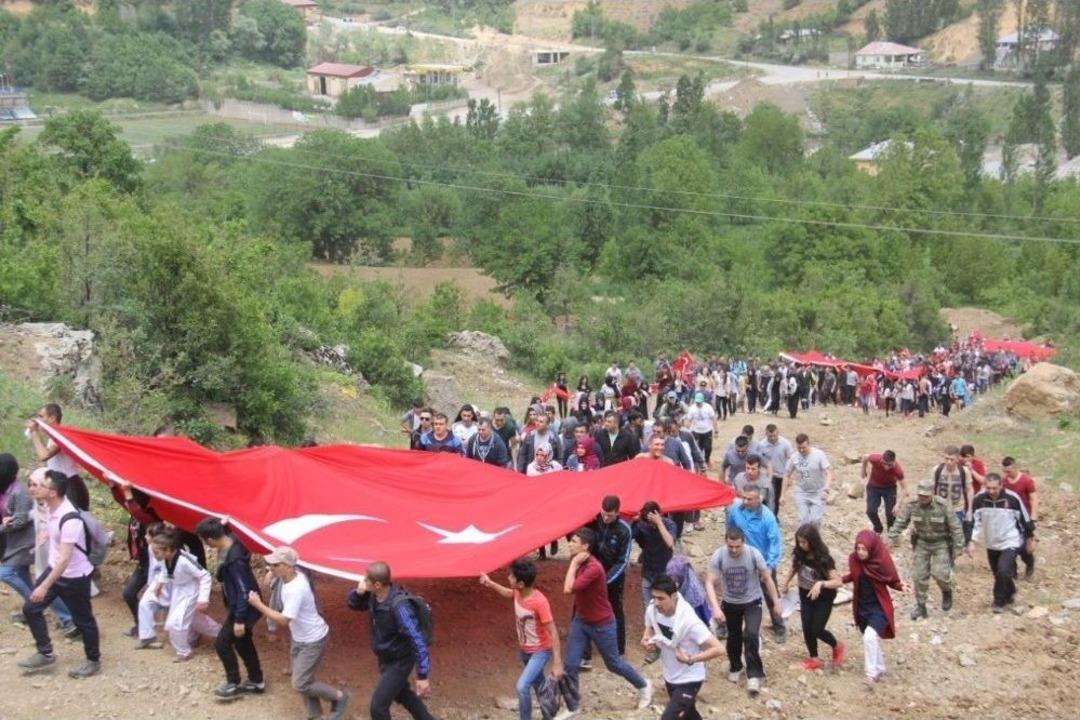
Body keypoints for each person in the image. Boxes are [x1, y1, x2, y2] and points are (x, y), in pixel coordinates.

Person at [248, 547, 351, 720]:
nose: (271, 568)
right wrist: (271, 574)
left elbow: (284, 620)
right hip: (301, 638)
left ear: (288, 567)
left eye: (275, 565)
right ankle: (315, 715)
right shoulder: (291, 578)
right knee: (304, 679)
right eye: (271, 564)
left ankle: (340, 697)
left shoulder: (296, 588)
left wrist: (258, 605)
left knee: (300, 683)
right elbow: (269, 582)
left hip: (313, 640)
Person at [559, 527, 652, 717]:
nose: (569, 544)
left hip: (601, 623)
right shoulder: (580, 561)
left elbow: (568, 589)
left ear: (585, 547)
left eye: (573, 541)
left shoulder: (593, 568)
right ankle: (573, 705)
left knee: (614, 663)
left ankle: (643, 685)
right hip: (581, 620)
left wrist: (574, 565)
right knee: (570, 663)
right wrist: (575, 563)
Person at [16, 471, 101, 679]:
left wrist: (44, 585)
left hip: (74, 576)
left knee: (84, 620)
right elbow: (56, 537)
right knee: (31, 608)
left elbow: (65, 559)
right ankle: (45, 653)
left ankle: (93, 660)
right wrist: (46, 535)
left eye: (40, 485)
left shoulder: (69, 518)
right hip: (56, 569)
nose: (33, 487)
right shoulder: (51, 508)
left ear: (52, 492)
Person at [347, 561, 435, 720]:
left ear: (378, 584)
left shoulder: (400, 607)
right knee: (402, 694)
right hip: (386, 657)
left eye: (366, 580)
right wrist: (358, 593)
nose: (363, 582)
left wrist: (423, 676)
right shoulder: (375, 595)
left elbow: (417, 640)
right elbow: (354, 605)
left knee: (378, 708)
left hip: (400, 661)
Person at [479, 558, 564, 720]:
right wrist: (489, 583)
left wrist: (557, 663)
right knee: (539, 685)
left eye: (511, 577)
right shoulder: (519, 593)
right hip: (525, 651)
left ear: (521, 584)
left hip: (539, 651)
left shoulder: (539, 602)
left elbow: (553, 632)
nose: (508, 578)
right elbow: (507, 593)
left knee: (522, 687)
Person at [0, 460, 76, 635]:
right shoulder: (11, 490)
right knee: (29, 580)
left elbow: (21, 520)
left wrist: (4, 526)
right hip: (17, 542)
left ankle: (40, 608)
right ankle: (57, 616)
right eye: (30, 484)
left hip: (25, 543)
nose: (31, 488)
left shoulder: (20, 493)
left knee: (7, 573)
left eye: (35, 484)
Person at [705, 526, 782, 697]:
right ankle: (736, 665)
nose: (733, 550)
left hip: (752, 601)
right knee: (734, 636)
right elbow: (710, 582)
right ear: (726, 543)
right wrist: (715, 607)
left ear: (743, 543)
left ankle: (754, 673)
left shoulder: (753, 554)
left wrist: (776, 602)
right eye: (730, 546)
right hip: (730, 603)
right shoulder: (719, 555)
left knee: (751, 634)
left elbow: (767, 579)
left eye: (737, 546)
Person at [195, 517, 264, 699]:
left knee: (222, 643)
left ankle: (233, 683)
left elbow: (243, 591)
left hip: (244, 607)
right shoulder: (233, 541)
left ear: (210, 540)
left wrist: (240, 619)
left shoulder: (235, 561)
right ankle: (257, 681)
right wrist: (227, 522)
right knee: (242, 641)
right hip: (245, 605)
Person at [641, 575, 725, 720]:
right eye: (654, 597)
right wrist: (646, 639)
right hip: (670, 676)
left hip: (690, 678)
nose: (656, 603)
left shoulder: (689, 622)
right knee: (688, 715)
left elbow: (719, 648)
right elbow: (649, 627)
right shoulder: (652, 611)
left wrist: (691, 659)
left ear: (673, 596)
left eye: (661, 598)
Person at [886, 479, 965, 620]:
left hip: (941, 542)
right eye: (921, 495)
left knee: (940, 573)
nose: (923, 498)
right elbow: (900, 522)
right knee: (918, 576)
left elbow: (955, 527)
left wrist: (959, 547)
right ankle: (921, 606)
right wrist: (890, 538)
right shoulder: (912, 505)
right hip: (922, 542)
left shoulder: (943, 506)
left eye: (926, 496)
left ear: (932, 494)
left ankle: (947, 591)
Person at [145, 528, 221, 662]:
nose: (155, 555)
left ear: (167, 550)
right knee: (195, 620)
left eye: (156, 552)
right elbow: (165, 572)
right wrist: (159, 585)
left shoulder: (184, 560)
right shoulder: (165, 558)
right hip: (178, 591)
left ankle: (183, 652)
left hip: (190, 591)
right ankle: (222, 634)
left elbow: (204, 576)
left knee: (176, 623)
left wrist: (203, 599)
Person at [841, 531, 907, 684]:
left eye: (864, 549)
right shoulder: (854, 560)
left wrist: (900, 586)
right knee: (870, 638)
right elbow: (854, 575)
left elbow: (891, 579)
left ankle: (871, 674)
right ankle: (879, 666)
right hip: (862, 608)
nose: (861, 552)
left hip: (879, 608)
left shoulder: (880, 561)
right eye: (858, 548)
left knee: (869, 636)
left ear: (871, 549)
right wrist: (840, 580)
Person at [726, 484, 785, 644]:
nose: (745, 501)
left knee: (770, 593)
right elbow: (730, 529)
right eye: (744, 497)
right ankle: (729, 624)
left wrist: (769, 565)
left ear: (759, 499)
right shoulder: (736, 510)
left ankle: (779, 625)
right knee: (735, 590)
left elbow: (775, 543)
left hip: (763, 562)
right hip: (741, 559)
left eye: (750, 499)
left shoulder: (767, 517)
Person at [968, 473, 1035, 613]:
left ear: (1001, 486)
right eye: (988, 488)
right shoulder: (979, 500)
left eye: (994, 488)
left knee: (1004, 570)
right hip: (992, 543)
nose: (991, 491)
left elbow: (1025, 519)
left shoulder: (1012, 498)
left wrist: (1029, 539)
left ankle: (998, 602)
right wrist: (971, 541)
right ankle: (1010, 592)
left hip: (1010, 540)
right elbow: (974, 522)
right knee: (998, 574)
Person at [780, 524, 843, 671]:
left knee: (817, 628)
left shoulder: (823, 559)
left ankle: (837, 645)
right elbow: (794, 567)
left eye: (804, 542)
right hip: (805, 594)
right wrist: (787, 582)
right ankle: (814, 658)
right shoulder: (799, 553)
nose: (801, 545)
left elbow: (837, 581)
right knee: (806, 627)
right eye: (799, 542)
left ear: (812, 541)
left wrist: (821, 583)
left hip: (823, 598)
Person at [587, 496, 633, 657]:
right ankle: (584, 653)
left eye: (610, 515)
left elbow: (623, 561)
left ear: (617, 513)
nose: (606, 518)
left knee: (615, 611)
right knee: (582, 609)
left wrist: (605, 581)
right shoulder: (593, 520)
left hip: (612, 580)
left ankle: (619, 649)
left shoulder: (624, 530)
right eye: (604, 514)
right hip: (591, 575)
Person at [25, 404, 90, 511]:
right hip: (62, 485)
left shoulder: (61, 436)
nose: (38, 420)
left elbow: (44, 455)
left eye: (41, 416)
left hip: (71, 487)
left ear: (52, 418)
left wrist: (34, 432)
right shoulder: (54, 437)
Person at [632, 501, 677, 610]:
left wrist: (659, 523)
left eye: (652, 522)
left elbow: (670, 542)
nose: (650, 525)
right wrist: (633, 522)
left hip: (665, 574)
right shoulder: (642, 525)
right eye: (648, 522)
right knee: (649, 608)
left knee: (666, 607)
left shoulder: (669, 524)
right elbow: (630, 536)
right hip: (648, 573)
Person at [1000, 456, 1038, 579]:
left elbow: (1034, 499)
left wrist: (1033, 518)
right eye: (1004, 471)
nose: (1006, 474)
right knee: (1009, 547)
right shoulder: (1004, 482)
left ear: (1015, 468)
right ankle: (1013, 571)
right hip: (1009, 520)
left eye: (1009, 471)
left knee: (1024, 549)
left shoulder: (1026, 481)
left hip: (1024, 519)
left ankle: (1029, 563)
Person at [783, 434, 833, 526]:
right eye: (799, 448)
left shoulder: (819, 454)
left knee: (815, 520)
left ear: (808, 444)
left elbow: (828, 473)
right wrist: (782, 495)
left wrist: (826, 489)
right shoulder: (794, 457)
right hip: (801, 492)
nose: (801, 450)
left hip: (818, 492)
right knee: (803, 520)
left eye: (804, 448)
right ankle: (801, 540)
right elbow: (786, 475)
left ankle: (814, 539)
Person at [932, 446, 974, 544]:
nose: (949, 462)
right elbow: (931, 489)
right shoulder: (936, 470)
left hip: (957, 510)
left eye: (952, 459)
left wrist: (970, 509)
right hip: (940, 509)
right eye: (946, 458)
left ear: (958, 459)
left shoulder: (964, 471)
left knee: (953, 540)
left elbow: (969, 489)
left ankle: (950, 558)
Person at [861, 450, 906, 534]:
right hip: (873, 486)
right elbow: (865, 457)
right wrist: (863, 469)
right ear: (882, 460)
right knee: (870, 511)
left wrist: (898, 504)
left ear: (893, 462)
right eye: (884, 463)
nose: (886, 467)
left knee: (891, 513)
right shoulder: (876, 459)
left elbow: (905, 488)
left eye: (889, 465)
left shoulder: (897, 470)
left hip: (889, 488)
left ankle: (892, 532)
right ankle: (878, 528)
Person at [756, 425, 793, 516]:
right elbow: (758, 460)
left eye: (774, 436)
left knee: (776, 498)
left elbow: (791, 459)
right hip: (768, 476)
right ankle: (765, 516)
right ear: (766, 434)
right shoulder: (762, 445)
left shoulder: (785, 444)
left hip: (781, 475)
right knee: (766, 497)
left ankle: (773, 517)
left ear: (778, 433)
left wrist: (790, 477)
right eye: (770, 436)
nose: (772, 438)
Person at [686, 392, 717, 467]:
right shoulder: (692, 408)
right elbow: (689, 420)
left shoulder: (708, 407)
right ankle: (700, 462)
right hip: (696, 431)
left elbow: (713, 419)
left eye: (699, 402)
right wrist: (687, 430)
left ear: (703, 400)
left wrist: (716, 430)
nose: (698, 403)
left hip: (707, 431)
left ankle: (707, 459)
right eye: (697, 402)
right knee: (698, 448)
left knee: (708, 447)